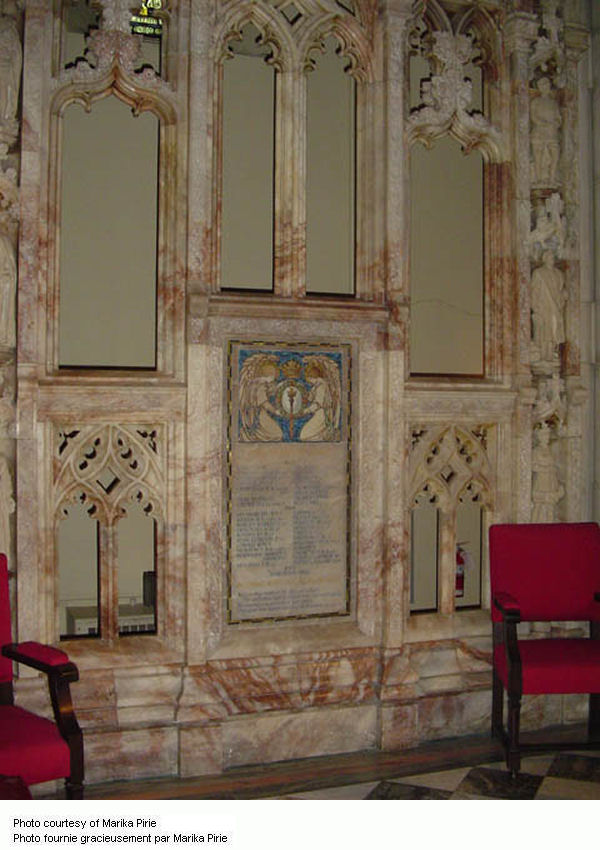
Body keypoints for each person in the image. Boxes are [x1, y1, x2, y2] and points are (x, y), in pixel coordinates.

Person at [531, 250, 566, 361]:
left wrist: (563, 296)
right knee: (544, 332)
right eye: (550, 257)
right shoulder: (538, 273)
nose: (552, 259)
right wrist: (535, 307)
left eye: (553, 257)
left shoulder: (559, 274)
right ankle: (544, 355)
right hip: (543, 306)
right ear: (544, 259)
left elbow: (561, 290)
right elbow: (534, 291)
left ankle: (552, 354)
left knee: (554, 331)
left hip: (556, 306)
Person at [530, 77, 561, 186]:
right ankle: (539, 179)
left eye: (547, 83)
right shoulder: (536, 102)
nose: (545, 86)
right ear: (539, 87)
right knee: (538, 157)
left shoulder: (553, 103)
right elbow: (533, 117)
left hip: (552, 133)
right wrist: (543, 123)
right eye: (542, 84)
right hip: (539, 132)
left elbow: (558, 117)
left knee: (555, 156)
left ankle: (552, 178)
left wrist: (556, 123)